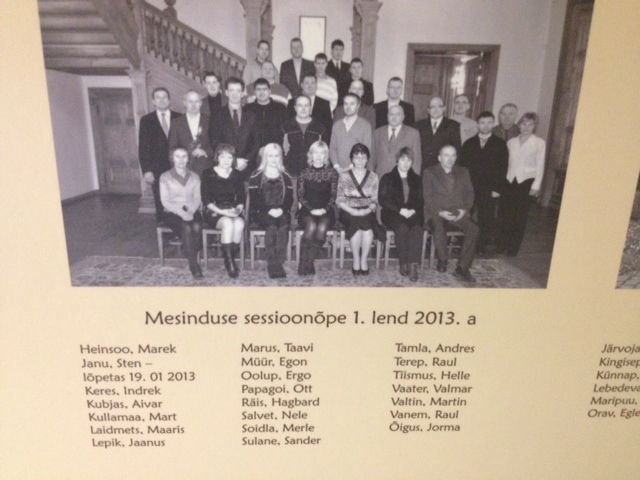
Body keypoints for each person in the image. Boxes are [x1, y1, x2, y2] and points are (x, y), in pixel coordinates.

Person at [423, 145, 479, 283]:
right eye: (446, 155)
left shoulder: (463, 172)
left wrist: (464, 210)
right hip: (436, 212)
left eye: (453, 155)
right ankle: (443, 259)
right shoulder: (429, 172)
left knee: (474, 229)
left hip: (457, 212)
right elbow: (427, 197)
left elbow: (470, 194)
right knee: (438, 228)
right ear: (439, 157)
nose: (450, 159)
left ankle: (462, 267)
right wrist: (440, 212)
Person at [496, 112, 546, 256]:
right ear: (519, 125)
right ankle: (501, 244)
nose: (526, 127)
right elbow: (506, 163)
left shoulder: (539, 143)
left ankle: (513, 247)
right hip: (509, 181)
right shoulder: (511, 142)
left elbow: (540, 165)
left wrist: (536, 186)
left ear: (534, 126)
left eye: (530, 124)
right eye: (524, 124)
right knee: (505, 214)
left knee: (520, 216)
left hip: (526, 182)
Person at [459, 111, 508, 253]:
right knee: (466, 214)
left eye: (489, 123)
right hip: (469, 187)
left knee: (486, 216)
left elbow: (503, 167)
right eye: (482, 123)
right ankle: (465, 243)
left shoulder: (500, 144)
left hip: (489, 188)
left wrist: (497, 189)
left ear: (493, 124)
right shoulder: (469, 143)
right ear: (477, 124)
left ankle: (481, 245)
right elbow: (462, 167)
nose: (485, 126)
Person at [248, 143, 294, 279]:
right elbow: (254, 199)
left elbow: (289, 198)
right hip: (261, 211)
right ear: (265, 157)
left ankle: (279, 262)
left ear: (280, 157)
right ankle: (272, 263)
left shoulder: (286, 176)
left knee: (284, 225)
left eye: (276, 155)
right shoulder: (256, 175)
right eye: (270, 156)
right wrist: (268, 210)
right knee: (272, 226)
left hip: (281, 211)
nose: (274, 159)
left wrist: (282, 209)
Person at [378, 147, 424, 281]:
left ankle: (413, 265)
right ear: (397, 160)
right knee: (402, 227)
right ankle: (403, 262)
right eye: (403, 159)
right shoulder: (387, 177)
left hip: (412, 211)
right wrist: (400, 210)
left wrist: (413, 210)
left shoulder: (417, 179)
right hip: (392, 212)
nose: (405, 163)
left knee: (417, 228)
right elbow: (382, 200)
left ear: (412, 162)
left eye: (409, 160)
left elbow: (420, 200)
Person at [200, 144, 246, 278]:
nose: (226, 160)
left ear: (233, 159)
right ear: (217, 158)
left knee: (239, 224)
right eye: (222, 157)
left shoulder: (237, 174)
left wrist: (238, 210)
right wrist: (223, 212)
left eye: (229, 157)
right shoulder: (207, 173)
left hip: (231, 209)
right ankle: (230, 263)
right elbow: (206, 200)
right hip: (213, 210)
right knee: (228, 223)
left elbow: (241, 198)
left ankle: (229, 257)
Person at [337, 143, 382, 275]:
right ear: (352, 159)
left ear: (367, 159)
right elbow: (339, 199)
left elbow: (375, 199)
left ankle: (364, 260)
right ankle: (356, 260)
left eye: (363, 157)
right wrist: (352, 211)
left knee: (367, 227)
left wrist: (366, 210)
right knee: (356, 223)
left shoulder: (373, 176)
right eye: (357, 157)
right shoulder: (344, 176)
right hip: (347, 210)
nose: (360, 160)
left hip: (367, 210)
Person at [159, 147, 203, 279]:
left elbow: (197, 199)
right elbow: (165, 201)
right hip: (172, 211)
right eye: (177, 156)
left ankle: (189, 252)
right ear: (172, 158)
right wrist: (181, 213)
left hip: (191, 209)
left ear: (188, 159)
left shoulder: (194, 176)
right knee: (187, 227)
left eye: (184, 156)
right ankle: (193, 264)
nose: (181, 160)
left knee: (197, 226)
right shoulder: (165, 177)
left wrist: (191, 210)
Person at [138, 87, 181, 223]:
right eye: (158, 97)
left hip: (178, 166)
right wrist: (146, 170)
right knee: (161, 199)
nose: (162, 100)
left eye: (164, 97)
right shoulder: (146, 120)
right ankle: (163, 227)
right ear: (153, 101)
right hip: (156, 168)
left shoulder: (179, 117)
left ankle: (180, 227)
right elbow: (143, 147)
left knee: (179, 197)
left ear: (169, 100)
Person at [296, 141, 339, 275]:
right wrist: (312, 210)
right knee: (312, 226)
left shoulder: (332, 173)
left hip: (327, 210)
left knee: (321, 228)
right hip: (307, 210)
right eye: (316, 153)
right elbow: (300, 196)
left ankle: (308, 262)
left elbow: (333, 196)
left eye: (322, 153)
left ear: (326, 156)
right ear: (311, 155)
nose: (319, 156)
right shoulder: (304, 173)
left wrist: (324, 210)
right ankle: (303, 262)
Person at [209, 77, 261, 178]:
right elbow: (214, 141)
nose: (235, 94)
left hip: (247, 167)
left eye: (238, 90)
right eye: (231, 90)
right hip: (224, 167)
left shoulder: (252, 115)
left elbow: (257, 141)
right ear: (226, 92)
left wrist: (246, 160)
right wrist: (233, 160)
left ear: (243, 93)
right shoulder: (217, 115)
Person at [168, 90, 215, 177]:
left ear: (201, 103)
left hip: (207, 169)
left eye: (196, 101)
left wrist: (205, 152)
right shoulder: (176, 123)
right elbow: (172, 148)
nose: (194, 105)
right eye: (190, 101)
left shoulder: (210, 121)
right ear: (184, 103)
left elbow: (216, 144)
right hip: (185, 169)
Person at [371, 104, 421, 178]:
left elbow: (416, 161)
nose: (394, 117)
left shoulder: (413, 133)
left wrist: (414, 181)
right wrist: (370, 178)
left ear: (403, 117)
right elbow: (372, 158)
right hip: (380, 177)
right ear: (387, 116)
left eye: (398, 114)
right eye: (391, 114)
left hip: (402, 179)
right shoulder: (377, 132)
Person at [415, 96, 461, 172]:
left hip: (443, 170)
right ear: (428, 110)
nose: (436, 109)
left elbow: (457, 150)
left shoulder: (453, 125)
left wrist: (452, 171)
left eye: (439, 106)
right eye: (432, 107)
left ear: (444, 108)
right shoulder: (419, 125)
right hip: (422, 169)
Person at [330, 93, 372, 173]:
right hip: (338, 171)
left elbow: (366, 150)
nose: (348, 107)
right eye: (346, 104)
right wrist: (337, 167)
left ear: (358, 105)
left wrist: (351, 167)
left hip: (357, 170)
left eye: (352, 104)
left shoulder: (365, 125)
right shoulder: (337, 125)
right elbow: (332, 148)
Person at [245, 78, 288, 148]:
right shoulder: (247, 109)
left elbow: (286, 131)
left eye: (264, 89)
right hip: (253, 151)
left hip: (275, 149)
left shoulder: (280, 108)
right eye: (258, 89)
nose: (261, 92)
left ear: (269, 91)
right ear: (254, 92)